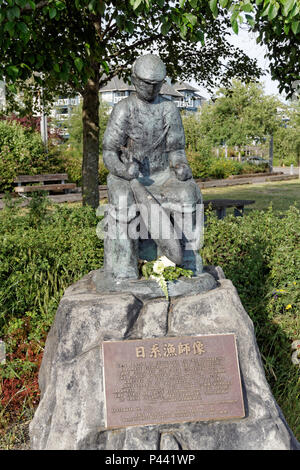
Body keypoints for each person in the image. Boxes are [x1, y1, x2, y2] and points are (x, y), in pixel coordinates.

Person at [102, 54, 203, 279]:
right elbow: (109, 152)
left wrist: (180, 166)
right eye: (147, 84)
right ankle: (124, 265)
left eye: (157, 84)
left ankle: (185, 260)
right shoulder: (124, 109)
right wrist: (123, 171)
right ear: (135, 80)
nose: (152, 88)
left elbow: (176, 150)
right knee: (122, 199)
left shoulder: (169, 109)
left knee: (187, 193)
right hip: (127, 177)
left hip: (162, 176)